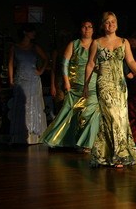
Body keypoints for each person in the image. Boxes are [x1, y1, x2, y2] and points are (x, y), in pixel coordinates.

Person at [83, 12, 136, 167]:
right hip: (104, 84)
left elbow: (130, 61)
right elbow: (91, 64)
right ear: (103, 25)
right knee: (112, 116)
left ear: (117, 24)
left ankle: (107, 153)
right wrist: (86, 85)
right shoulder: (97, 42)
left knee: (120, 117)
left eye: (113, 22)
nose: (110, 25)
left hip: (120, 85)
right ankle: (119, 154)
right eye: (107, 22)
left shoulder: (124, 42)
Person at [41, 19, 100, 152]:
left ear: (93, 30)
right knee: (71, 113)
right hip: (76, 85)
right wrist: (66, 82)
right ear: (80, 29)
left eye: (90, 27)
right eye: (84, 26)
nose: (87, 29)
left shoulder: (97, 44)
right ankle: (66, 140)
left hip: (92, 84)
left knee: (92, 112)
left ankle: (87, 143)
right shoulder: (74, 44)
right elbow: (64, 64)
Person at [7, 23, 48, 144]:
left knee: (33, 103)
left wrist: (40, 71)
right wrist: (10, 79)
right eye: (32, 31)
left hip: (33, 79)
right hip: (21, 79)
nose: (34, 34)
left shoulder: (35, 47)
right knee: (21, 105)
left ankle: (33, 135)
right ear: (25, 32)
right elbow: (10, 63)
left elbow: (46, 59)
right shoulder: (15, 47)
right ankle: (21, 135)